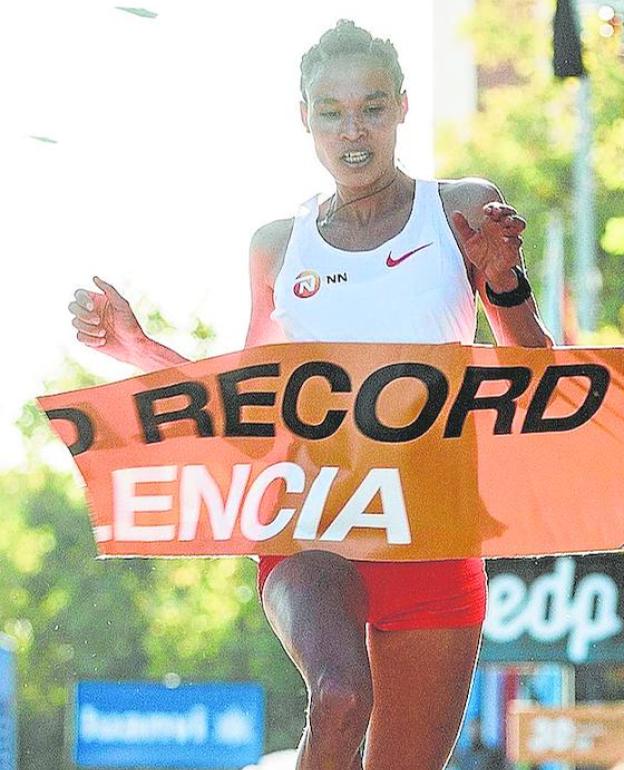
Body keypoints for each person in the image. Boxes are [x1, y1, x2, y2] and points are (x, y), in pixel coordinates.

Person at [66, 20, 551, 769]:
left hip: (435, 532)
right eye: (332, 111)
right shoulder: (276, 245)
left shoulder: (459, 207)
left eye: (372, 107)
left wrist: (503, 281)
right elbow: (247, 410)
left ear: (402, 109)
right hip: (313, 524)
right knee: (338, 696)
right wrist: (134, 348)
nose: (352, 130)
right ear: (305, 118)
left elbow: (536, 367)